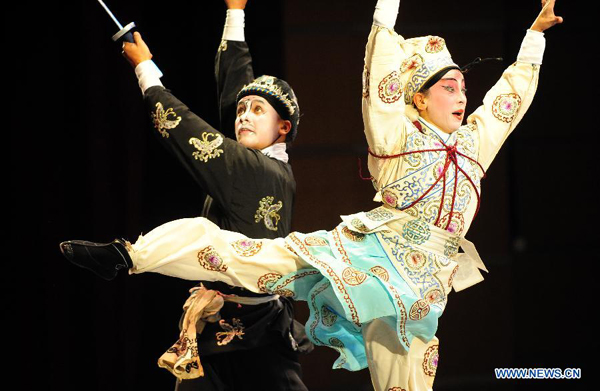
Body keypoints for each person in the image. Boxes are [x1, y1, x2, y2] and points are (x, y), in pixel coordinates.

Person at [60, 0, 563, 390]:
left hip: (423, 282)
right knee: (240, 252)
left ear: (282, 127)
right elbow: (381, 70)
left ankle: (137, 256)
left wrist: (533, 39)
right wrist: (386, 9)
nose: (463, 96)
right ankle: (131, 253)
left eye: (463, 88)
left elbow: (507, 102)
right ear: (418, 97)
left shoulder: (474, 145)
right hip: (369, 255)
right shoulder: (397, 135)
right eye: (450, 87)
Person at [61, 1, 312, 390]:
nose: (242, 115)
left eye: (256, 110)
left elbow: (189, 133)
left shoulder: (262, 171)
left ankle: (126, 255)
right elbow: (234, 85)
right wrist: (235, 13)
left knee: (198, 231)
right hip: (213, 328)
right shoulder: (252, 159)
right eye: (241, 109)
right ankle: (125, 256)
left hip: (258, 339)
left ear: (283, 128)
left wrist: (145, 69)